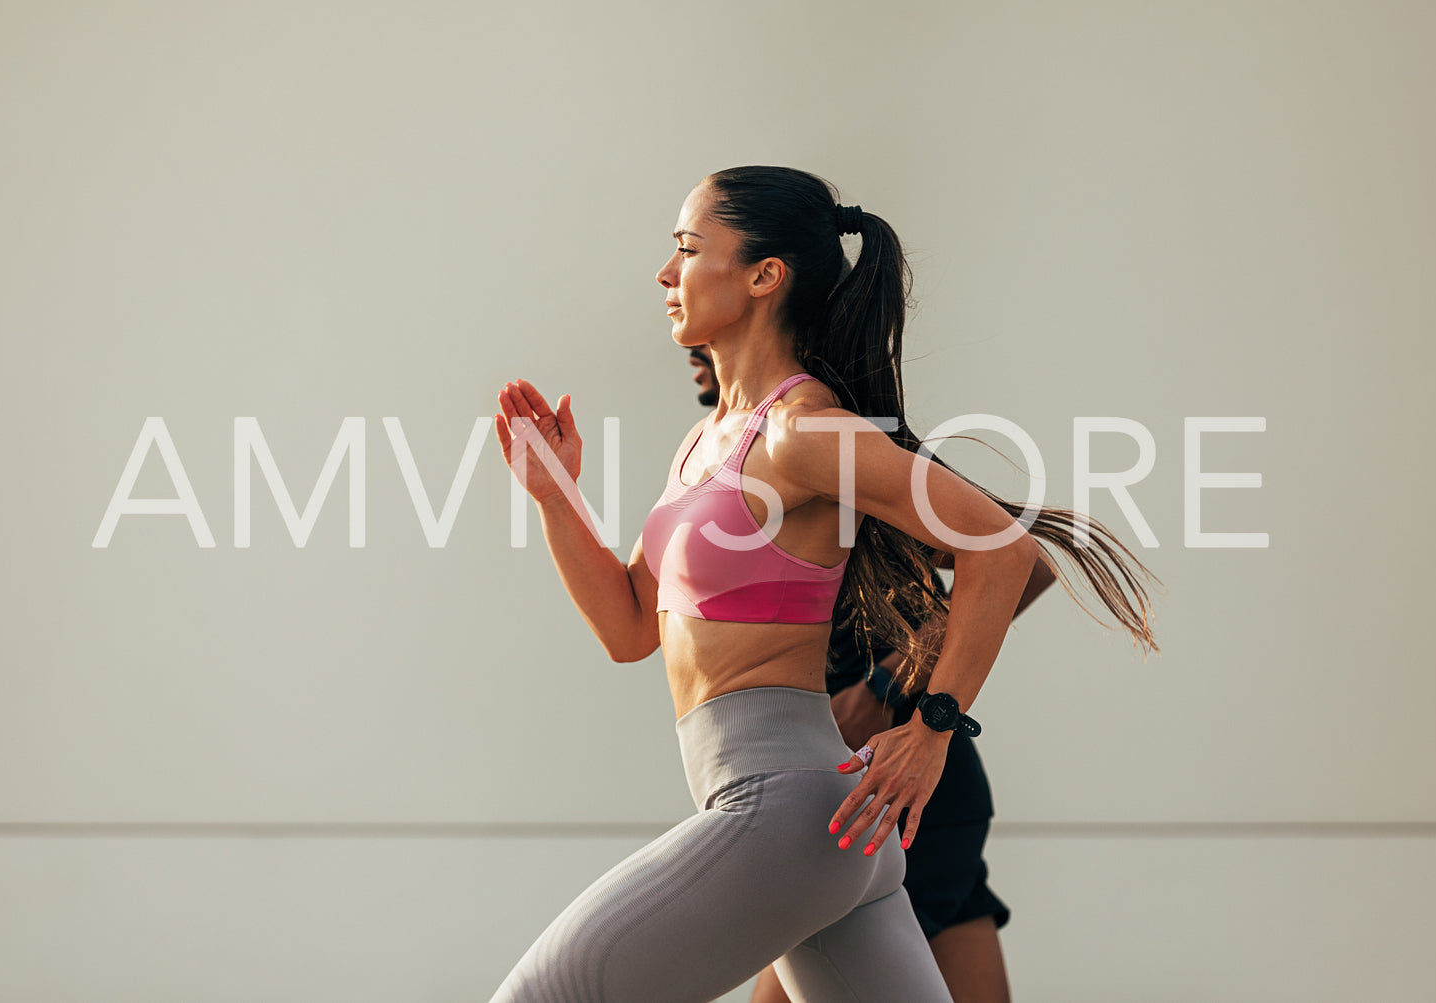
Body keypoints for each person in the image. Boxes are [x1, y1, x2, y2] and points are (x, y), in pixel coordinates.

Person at [492, 166, 1159, 1003]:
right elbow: (630, 627)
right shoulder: (708, 441)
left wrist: (929, 725)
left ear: (765, 275)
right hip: (822, 818)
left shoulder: (799, 432)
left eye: (689, 250)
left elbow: (1003, 548)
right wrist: (556, 496)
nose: (666, 274)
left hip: (783, 810)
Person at [685, 344, 1047, 1003]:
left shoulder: (830, 443)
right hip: (874, 788)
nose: (691, 351)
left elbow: (1022, 560)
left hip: (890, 788)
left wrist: (884, 691)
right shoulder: (734, 452)